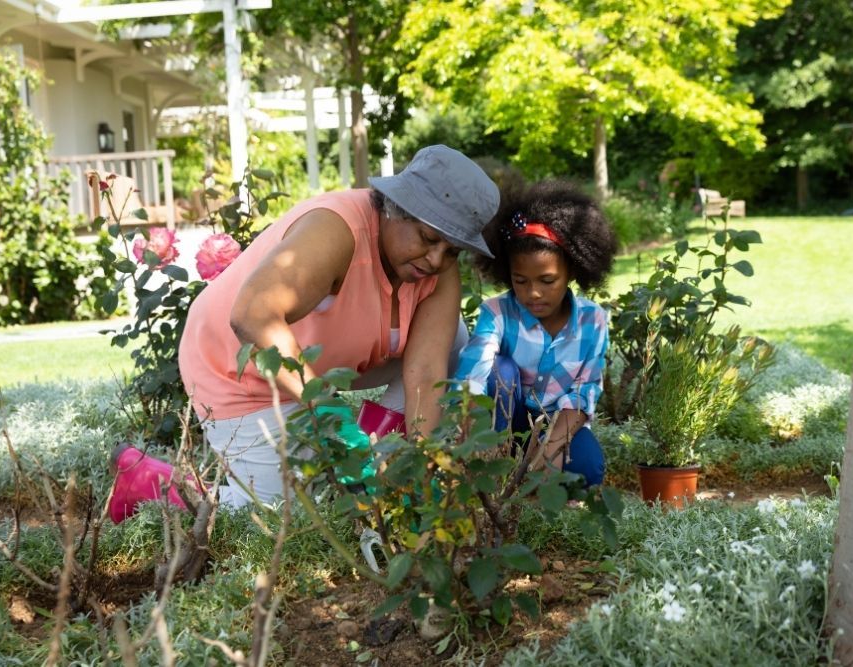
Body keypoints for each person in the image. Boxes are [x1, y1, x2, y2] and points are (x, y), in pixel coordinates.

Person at [110, 145, 500, 519]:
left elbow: (429, 370)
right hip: (240, 366)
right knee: (278, 517)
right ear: (396, 210)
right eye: (429, 239)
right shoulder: (337, 231)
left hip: (331, 358)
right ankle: (148, 483)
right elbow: (251, 317)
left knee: (452, 340)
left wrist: (420, 466)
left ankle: (372, 465)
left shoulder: (435, 263)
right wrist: (329, 415)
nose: (437, 260)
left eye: (452, 250)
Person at [454, 180, 618, 486]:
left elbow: (583, 393)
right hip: (502, 421)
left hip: (556, 425)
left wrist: (548, 452)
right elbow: (473, 375)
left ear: (572, 270)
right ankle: (496, 462)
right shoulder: (498, 313)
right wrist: (471, 438)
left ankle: (532, 472)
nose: (533, 293)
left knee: (588, 470)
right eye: (520, 281)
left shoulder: (592, 321)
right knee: (499, 369)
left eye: (547, 280)